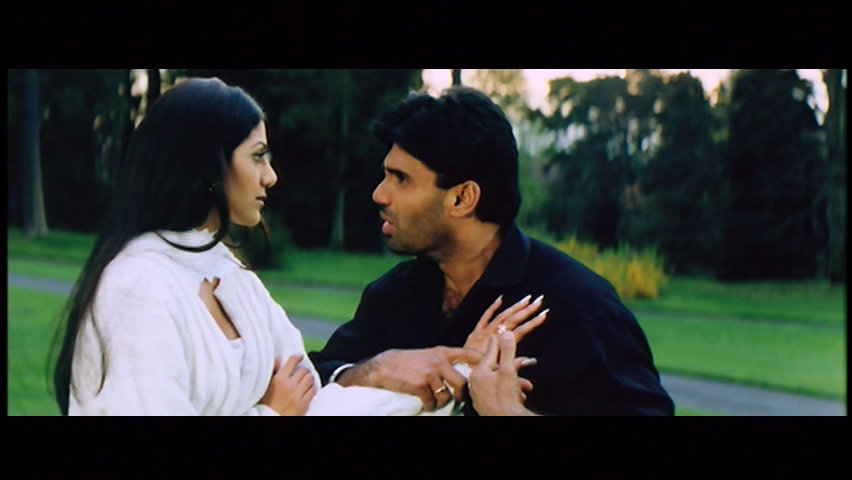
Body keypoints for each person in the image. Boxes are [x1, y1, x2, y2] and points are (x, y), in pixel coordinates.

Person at [51, 77, 514, 416]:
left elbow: (314, 403)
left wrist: (456, 368)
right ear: (207, 165)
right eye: (257, 156)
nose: (270, 176)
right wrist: (270, 413)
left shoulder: (231, 276)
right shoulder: (137, 286)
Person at [308, 85, 675, 416]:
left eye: (401, 179)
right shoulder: (392, 296)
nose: (379, 194)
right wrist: (373, 370)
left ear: (462, 198)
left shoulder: (580, 306)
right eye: (386, 175)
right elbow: (307, 383)